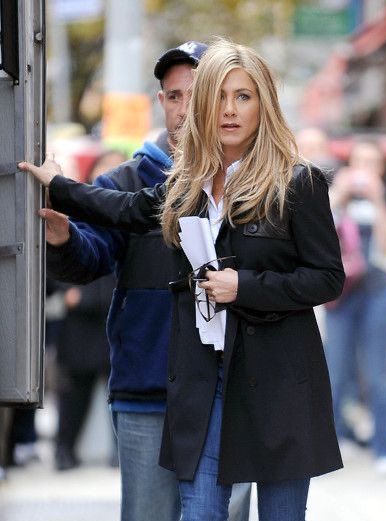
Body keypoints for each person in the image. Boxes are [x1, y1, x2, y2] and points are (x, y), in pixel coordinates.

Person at [20, 39, 345, 521]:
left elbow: (327, 279)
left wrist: (245, 286)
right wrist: (60, 187)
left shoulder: (297, 182)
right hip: (203, 379)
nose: (229, 111)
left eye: (244, 97)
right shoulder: (187, 183)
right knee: (200, 511)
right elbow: (125, 209)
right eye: (218, 97)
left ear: (264, 105)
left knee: (280, 513)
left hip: (278, 380)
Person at [23, 42, 251, 520]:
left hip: (231, 390)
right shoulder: (123, 182)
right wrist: (63, 239)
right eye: (173, 96)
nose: (184, 108)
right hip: (149, 389)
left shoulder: (257, 185)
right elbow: (89, 262)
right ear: (161, 102)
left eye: (196, 93)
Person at [324, 139, 386, 475]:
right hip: (341, 293)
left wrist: (378, 198)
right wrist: (341, 193)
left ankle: (384, 445)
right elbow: (319, 230)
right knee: (335, 367)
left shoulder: (385, 201)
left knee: (377, 370)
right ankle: (336, 437)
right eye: (359, 161)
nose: (365, 169)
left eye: (373, 162)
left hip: (378, 291)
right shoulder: (337, 197)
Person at [54, 151, 126, 471]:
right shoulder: (77, 208)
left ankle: (119, 451)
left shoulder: (132, 210)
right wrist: (68, 293)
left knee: (119, 390)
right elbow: (58, 253)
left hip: (116, 315)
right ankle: (64, 449)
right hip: (82, 318)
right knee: (75, 392)